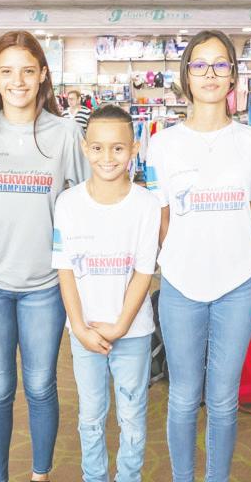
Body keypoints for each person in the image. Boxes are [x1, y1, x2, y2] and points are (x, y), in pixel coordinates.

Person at [143, 30, 251, 481]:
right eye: (199, 65)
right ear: (187, 76)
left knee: (222, 399)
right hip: (181, 284)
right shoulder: (163, 144)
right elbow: (162, 217)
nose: (210, 74)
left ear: (233, 74)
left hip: (237, 286)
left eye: (220, 64)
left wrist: (226, 248)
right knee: (182, 396)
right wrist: (187, 252)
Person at [0, 31, 86, 482]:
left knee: (40, 385)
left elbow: (88, 199)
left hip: (45, 285)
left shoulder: (64, 133)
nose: (17, 81)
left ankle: (40, 474)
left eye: (27, 71)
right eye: (7, 71)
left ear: (43, 75)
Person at [53, 105, 159, 482]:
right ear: (85, 148)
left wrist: (120, 326)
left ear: (134, 149)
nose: (107, 157)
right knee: (91, 417)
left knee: (132, 418)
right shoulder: (68, 204)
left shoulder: (146, 205)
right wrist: (80, 327)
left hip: (132, 332)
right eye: (97, 148)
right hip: (84, 334)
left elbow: (144, 273)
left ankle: (129, 476)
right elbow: (65, 270)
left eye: (118, 148)